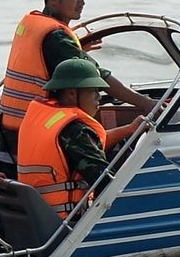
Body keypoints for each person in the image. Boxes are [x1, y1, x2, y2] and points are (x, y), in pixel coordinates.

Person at [0, 0, 155, 176]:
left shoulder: (33, 23)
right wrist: (146, 103)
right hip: (34, 133)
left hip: (14, 131)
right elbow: (97, 76)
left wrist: (77, 49)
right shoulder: (56, 37)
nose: (82, 2)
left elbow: (44, 58)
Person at [15, 58, 112, 220]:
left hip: (39, 217)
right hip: (68, 223)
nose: (99, 97)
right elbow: (105, 181)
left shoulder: (44, 119)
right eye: (93, 90)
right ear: (72, 93)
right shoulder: (75, 131)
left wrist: (129, 130)